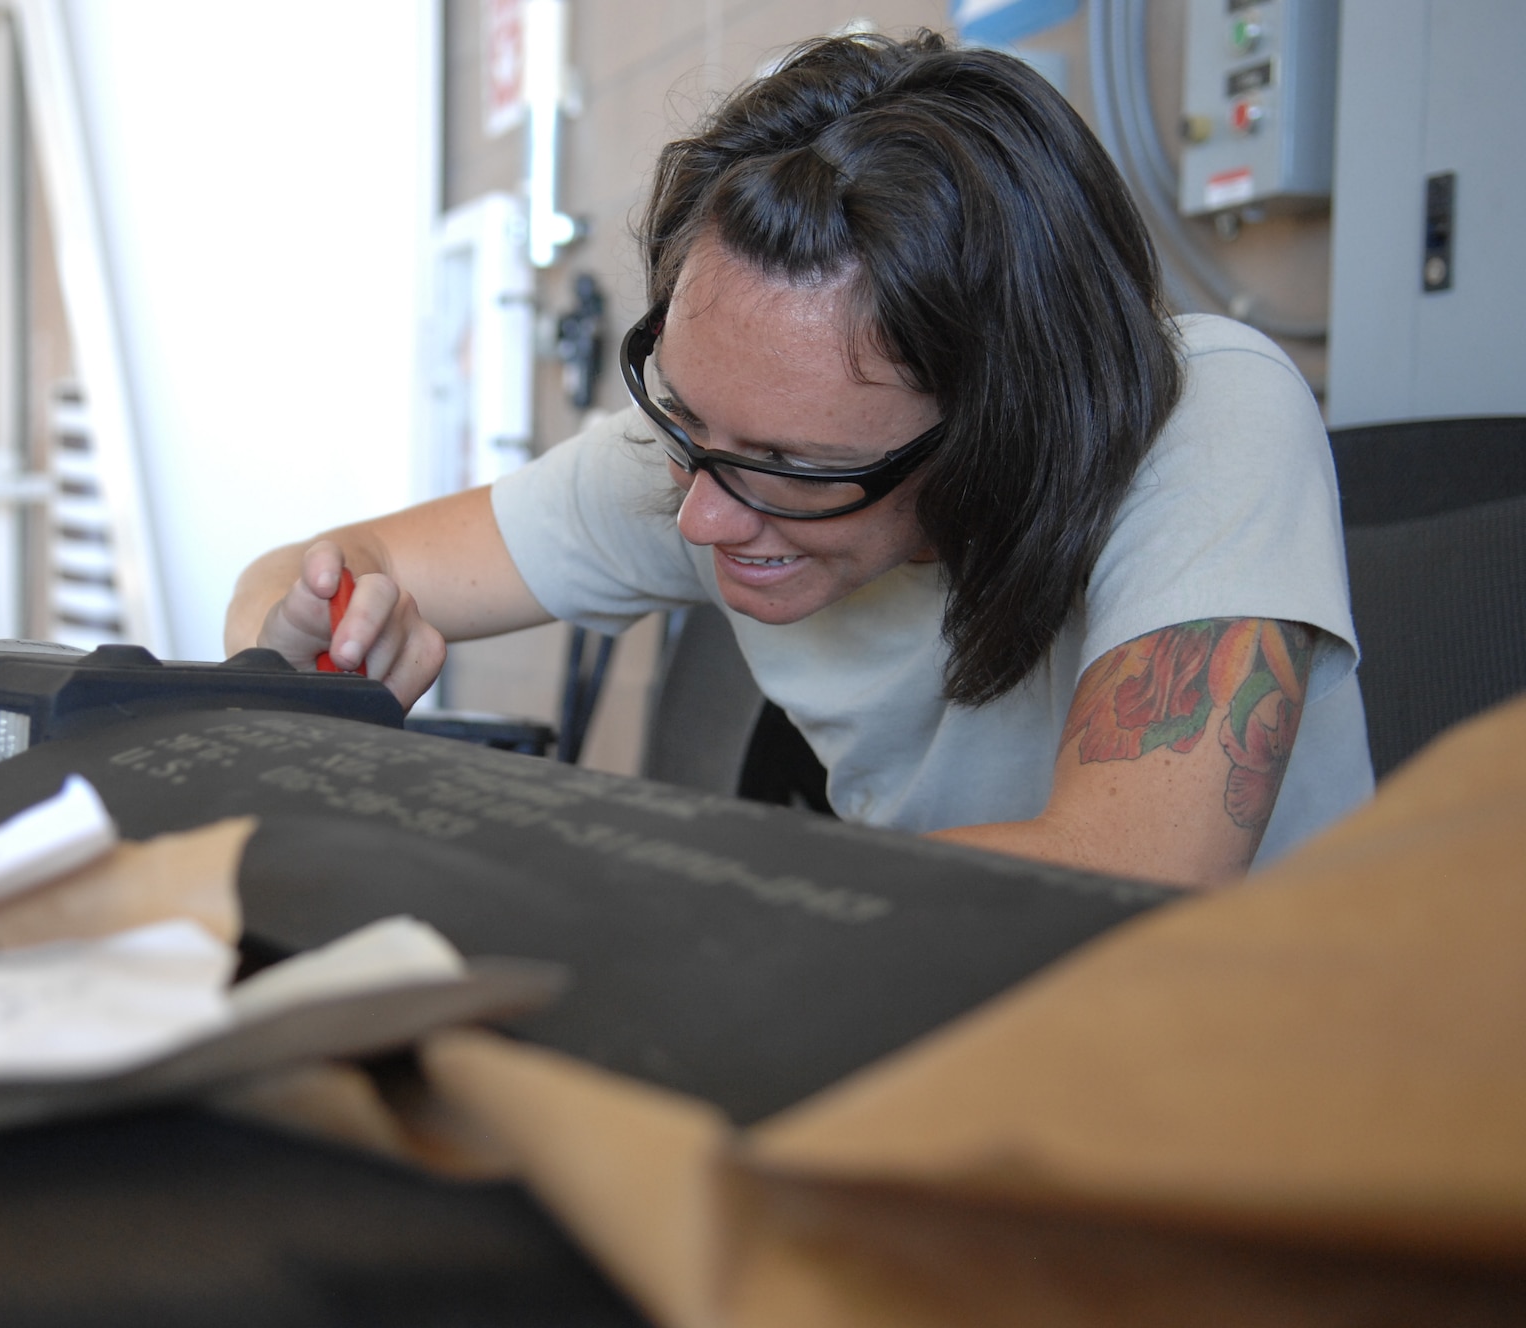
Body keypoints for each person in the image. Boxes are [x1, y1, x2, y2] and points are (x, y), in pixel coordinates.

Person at [226, 30, 1371, 887]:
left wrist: (620, 878)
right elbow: (319, 566)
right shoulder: (709, 452)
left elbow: (1119, 878)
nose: (703, 520)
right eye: (687, 423)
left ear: (996, 416)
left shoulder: (1201, 411)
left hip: (1231, 1087)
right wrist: (298, 644)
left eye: (791, 467)